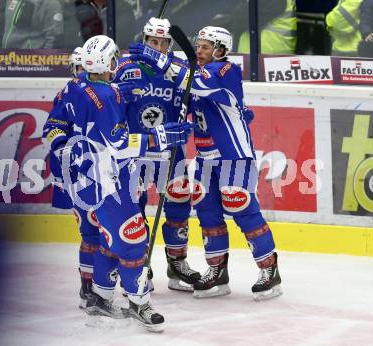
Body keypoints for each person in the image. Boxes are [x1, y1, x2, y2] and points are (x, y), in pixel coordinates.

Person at [134, 26, 281, 301]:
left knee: (241, 206)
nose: (199, 51)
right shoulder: (199, 73)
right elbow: (187, 94)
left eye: (205, 47)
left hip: (233, 154)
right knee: (208, 213)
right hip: (205, 158)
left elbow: (195, 82)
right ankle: (217, 272)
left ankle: (269, 270)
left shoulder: (226, 70)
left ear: (221, 50)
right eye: (197, 46)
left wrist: (159, 58)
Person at [60, 35, 192, 331]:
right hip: (109, 179)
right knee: (133, 240)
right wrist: (161, 137)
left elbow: (82, 108)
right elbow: (118, 143)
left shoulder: (76, 86)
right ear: (109, 62)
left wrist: (120, 90)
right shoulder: (107, 97)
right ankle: (139, 301)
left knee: (111, 239)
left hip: (88, 177)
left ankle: (101, 295)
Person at [116, 17, 201, 292]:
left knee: (179, 204)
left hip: (170, 149)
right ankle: (140, 263)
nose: (158, 46)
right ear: (145, 40)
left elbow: (195, 84)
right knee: (134, 206)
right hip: (137, 148)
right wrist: (118, 92)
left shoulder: (179, 67)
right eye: (153, 41)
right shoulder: (126, 65)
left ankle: (177, 263)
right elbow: (105, 98)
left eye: (163, 43)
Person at [43, 46, 99, 310]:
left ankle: (106, 281)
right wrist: (65, 149)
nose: (82, 74)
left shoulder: (107, 92)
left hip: (104, 174)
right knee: (90, 232)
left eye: (85, 69)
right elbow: (53, 128)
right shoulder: (67, 95)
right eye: (79, 69)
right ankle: (88, 285)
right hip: (78, 176)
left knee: (108, 232)